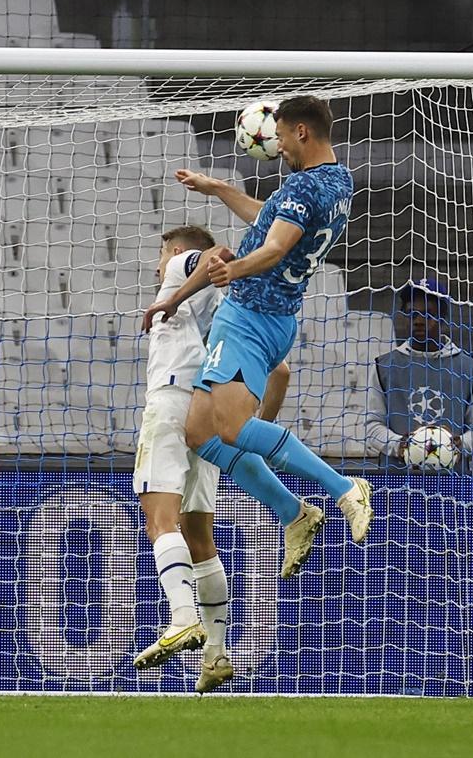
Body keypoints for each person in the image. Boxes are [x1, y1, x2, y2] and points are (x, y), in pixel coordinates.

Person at [144, 94, 373, 581]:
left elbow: (273, 246)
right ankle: (294, 513)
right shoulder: (337, 181)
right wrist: (218, 188)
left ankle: (342, 487)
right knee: (200, 435)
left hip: (249, 316)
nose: (279, 147)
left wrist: (231, 269)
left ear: (301, 133)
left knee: (229, 428)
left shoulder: (301, 188)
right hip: (278, 318)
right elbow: (270, 220)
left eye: (283, 137)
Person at [133, 225, 290, 693]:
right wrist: (250, 425)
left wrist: (173, 297)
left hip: (169, 401)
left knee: (159, 520)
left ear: (176, 251)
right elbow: (280, 371)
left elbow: (213, 254)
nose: (157, 269)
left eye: (160, 257)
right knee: (199, 534)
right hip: (206, 410)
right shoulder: (228, 306)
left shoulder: (183, 268)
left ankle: (182, 616)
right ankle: (216, 655)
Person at [366, 275, 473, 469]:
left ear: (442, 318)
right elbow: (372, 426)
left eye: (428, 314)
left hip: (452, 482)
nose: (419, 321)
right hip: (395, 480)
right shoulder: (384, 366)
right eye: (412, 313)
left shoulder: (470, 368)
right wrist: (400, 445)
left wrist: (459, 444)